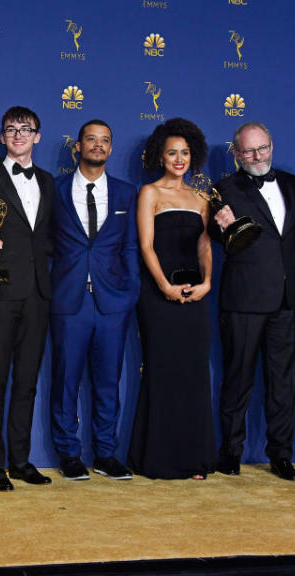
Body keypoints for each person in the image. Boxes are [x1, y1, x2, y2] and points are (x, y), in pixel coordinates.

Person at [210, 122, 295, 481]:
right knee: (237, 379)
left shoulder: (293, 184)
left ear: (272, 146)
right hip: (243, 299)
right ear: (236, 154)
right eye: (248, 151)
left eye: (262, 148)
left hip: (286, 300)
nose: (257, 156)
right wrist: (219, 226)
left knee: (283, 383)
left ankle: (281, 456)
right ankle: (230, 454)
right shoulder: (223, 189)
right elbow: (212, 237)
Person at [49, 119, 140, 481]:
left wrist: (130, 291)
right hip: (69, 301)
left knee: (107, 382)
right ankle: (68, 453)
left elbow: (130, 246)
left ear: (111, 148)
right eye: (91, 139)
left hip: (112, 303)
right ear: (78, 146)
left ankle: (106, 453)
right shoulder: (54, 190)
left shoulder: (125, 192)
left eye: (105, 140)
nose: (98, 146)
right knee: (65, 381)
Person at [128, 118, 214, 480]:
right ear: (160, 157)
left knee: (193, 375)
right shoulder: (149, 193)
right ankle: (158, 460)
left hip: (196, 296)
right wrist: (163, 285)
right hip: (158, 297)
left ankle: (193, 459)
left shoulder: (202, 198)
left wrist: (208, 282)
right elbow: (146, 245)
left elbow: (204, 244)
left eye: (185, 153)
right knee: (162, 372)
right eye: (172, 153)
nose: (179, 159)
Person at [0, 106, 55, 491]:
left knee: (27, 381)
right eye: (11, 129)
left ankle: (21, 460)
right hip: (0, 290)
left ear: (38, 136)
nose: (19, 135)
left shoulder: (50, 182)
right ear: (2, 137)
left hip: (39, 293)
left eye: (27, 129)